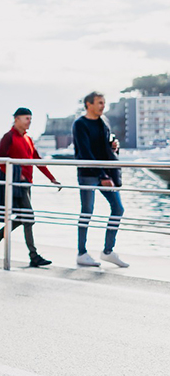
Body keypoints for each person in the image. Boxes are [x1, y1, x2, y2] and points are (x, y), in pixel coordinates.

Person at [0, 108, 60, 267]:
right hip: (15, 184)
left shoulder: (28, 139)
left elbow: (37, 160)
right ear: (16, 119)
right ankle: (33, 255)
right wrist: (15, 176)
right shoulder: (8, 137)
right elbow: (0, 160)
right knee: (29, 218)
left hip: (26, 184)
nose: (29, 121)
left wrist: (52, 178)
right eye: (26, 118)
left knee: (22, 218)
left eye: (30, 119)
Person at [74, 91, 127, 268]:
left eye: (104, 103)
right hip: (88, 174)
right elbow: (85, 152)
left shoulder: (104, 122)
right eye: (99, 103)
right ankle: (81, 253)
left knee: (118, 208)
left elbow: (104, 146)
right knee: (87, 210)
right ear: (88, 104)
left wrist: (114, 145)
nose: (103, 106)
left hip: (105, 173)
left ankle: (108, 251)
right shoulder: (80, 124)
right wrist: (102, 176)